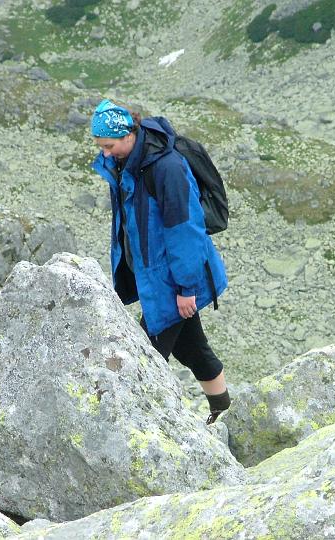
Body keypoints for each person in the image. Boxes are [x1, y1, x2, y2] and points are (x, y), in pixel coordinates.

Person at [90, 99, 230, 424]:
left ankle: (137, 428)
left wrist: (186, 288)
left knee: (144, 357)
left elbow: (185, 231)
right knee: (192, 348)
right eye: (101, 147)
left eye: (109, 146)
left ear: (128, 134)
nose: (105, 154)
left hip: (173, 281)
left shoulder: (167, 168)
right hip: (157, 277)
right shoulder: (127, 164)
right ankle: (224, 414)